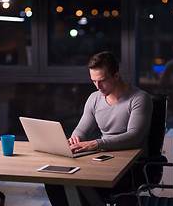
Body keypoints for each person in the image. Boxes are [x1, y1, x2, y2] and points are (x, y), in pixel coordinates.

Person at [45, 51, 153, 206]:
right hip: (103, 160)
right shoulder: (94, 98)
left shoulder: (139, 99)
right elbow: (81, 130)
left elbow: (134, 137)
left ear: (116, 75)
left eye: (102, 81)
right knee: (53, 181)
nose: (98, 87)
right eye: (94, 81)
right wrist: (77, 137)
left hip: (132, 167)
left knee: (81, 184)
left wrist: (96, 143)